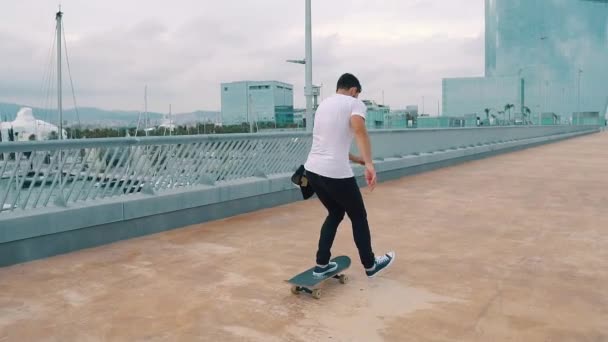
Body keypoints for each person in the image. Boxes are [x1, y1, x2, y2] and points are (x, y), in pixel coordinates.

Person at [303, 73, 395, 278]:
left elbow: (330, 145)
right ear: (354, 90)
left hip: (313, 170)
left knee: (335, 213)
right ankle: (371, 265)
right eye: (356, 95)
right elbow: (360, 130)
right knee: (358, 216)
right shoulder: (355, 104)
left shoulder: (323, 105)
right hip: (336, 173)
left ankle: (321, 264)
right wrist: (369, 164)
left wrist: (358, 159)